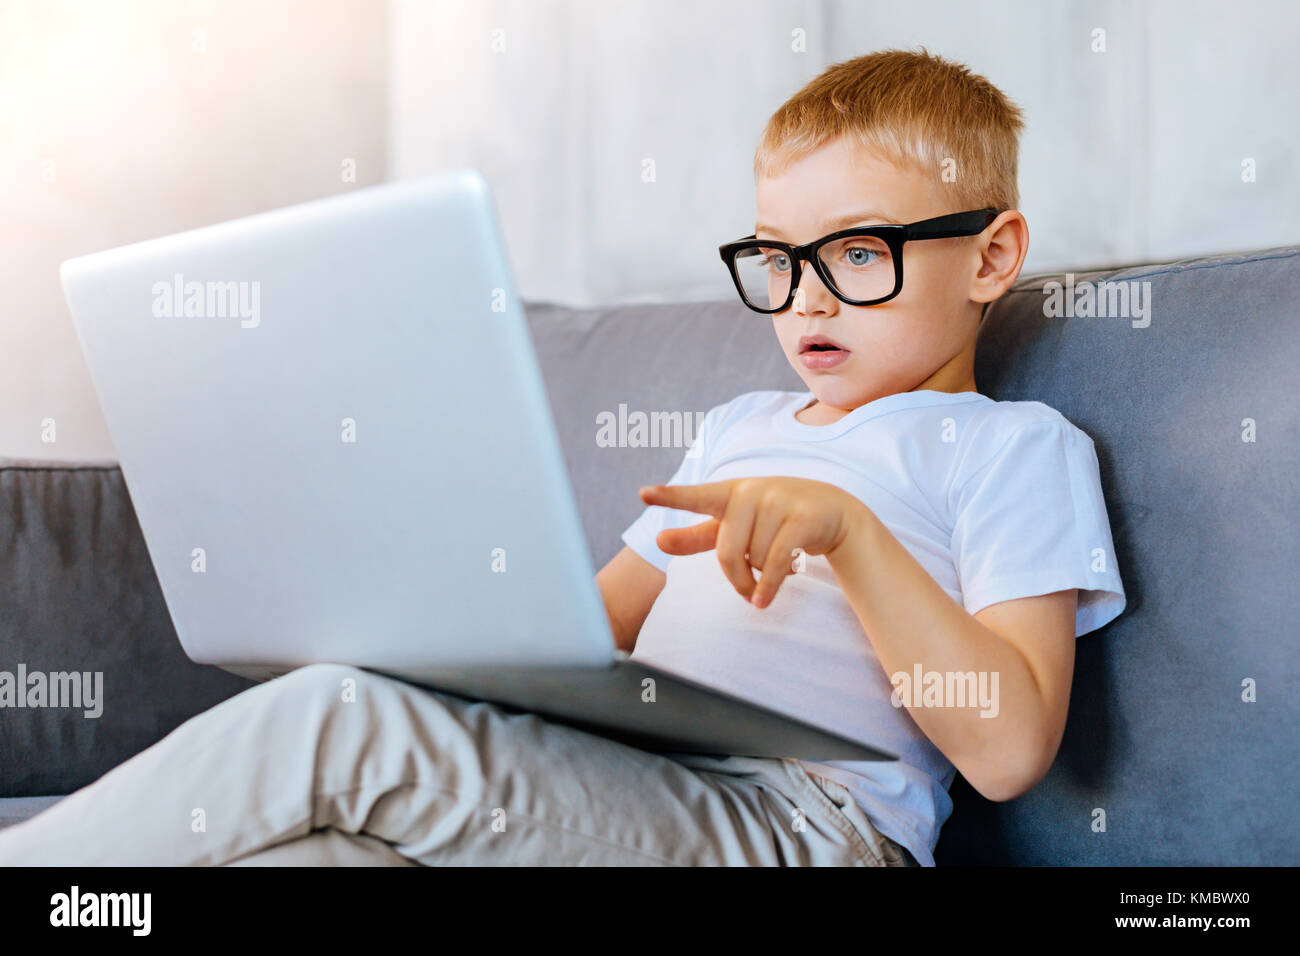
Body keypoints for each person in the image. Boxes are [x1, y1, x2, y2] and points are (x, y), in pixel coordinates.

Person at [0, 48, 1124, 867]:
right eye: (778, 260)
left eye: (859, 253)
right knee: (313, 850)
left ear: (991, 256)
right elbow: (586, 640)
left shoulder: (1011, 448)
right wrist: (430, 618)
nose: (808, 297)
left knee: (338, 718)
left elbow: (1009, 748)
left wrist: (852, 533)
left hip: (811, 827)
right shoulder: (740, 425)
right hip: (639, 789)